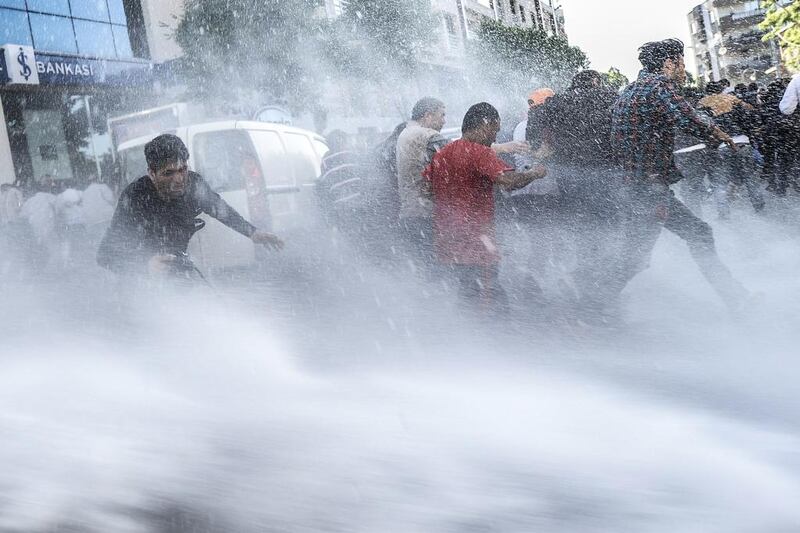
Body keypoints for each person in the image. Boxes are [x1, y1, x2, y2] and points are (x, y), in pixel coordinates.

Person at [601, 38, 748, 316]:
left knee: (636, 256)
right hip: (649, 188)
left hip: (636, 185)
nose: (683, 69)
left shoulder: (628, 90)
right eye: (681, 63)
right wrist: (717, 133)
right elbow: (686, 117)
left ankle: (589, 299)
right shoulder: (659, 86)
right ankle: (588, 302)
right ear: (669, 63)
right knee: (695, 236)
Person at [97, 134, 283, 276]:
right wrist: (145, 264)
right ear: (152, 173)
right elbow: (105, 255)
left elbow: (220, 209)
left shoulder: (193, 184)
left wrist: (253, 232)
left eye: (182, 169)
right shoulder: (135, 197)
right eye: (168, 173)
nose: (178, 179)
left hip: (178, 270)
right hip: (141, 280)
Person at [423, 102, 547, 311]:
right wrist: (535, 173)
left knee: (466, 294)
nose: (495, 138)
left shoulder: (442, 154)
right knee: (489, 302)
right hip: (476, 243)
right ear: (483, 125)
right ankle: (488, 339)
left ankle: (464, 336)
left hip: (448, 240)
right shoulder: (480, 152)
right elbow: (509, 181)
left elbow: (427, 189)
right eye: (494, 130)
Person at [395, 97, 449, 272]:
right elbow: (460, 152)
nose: (444, 121)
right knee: (435, 272)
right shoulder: (425, 134)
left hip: (410, 213)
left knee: (420, 272)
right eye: (441, 115)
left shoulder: (406, 133)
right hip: (424, 214)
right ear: (428, 116)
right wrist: (501, 148)